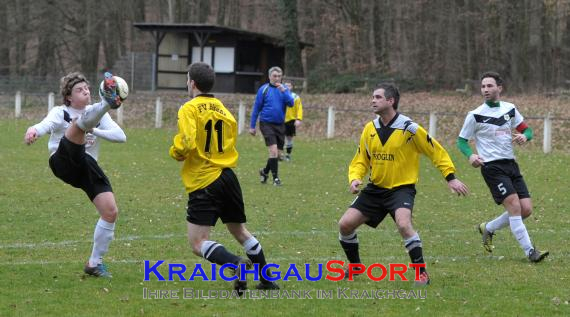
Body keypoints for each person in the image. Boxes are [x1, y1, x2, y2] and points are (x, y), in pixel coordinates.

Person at [338, 83, 469, 286]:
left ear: (391, 101)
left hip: (401, 189)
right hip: (375, 189)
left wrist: (450, 177)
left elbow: (436, 151)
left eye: (378, 97)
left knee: (404, 224)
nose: (372, 100)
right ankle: (355, 266)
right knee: (345, 225)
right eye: (372, 97)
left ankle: (421, 274)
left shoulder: (410, 128)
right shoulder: (369, 128)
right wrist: (355, 178)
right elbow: (361, 159)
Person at [169, 62, 279, 294]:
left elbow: (186, 143)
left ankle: (237, 265)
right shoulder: (225, 111)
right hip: (228, 177)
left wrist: (176, 151)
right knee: (240, 231)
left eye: (187, 80)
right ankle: (267, 280)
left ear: (193, 83)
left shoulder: (188, 108)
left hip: (204, 180)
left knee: (198, 243)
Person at [24, 71, 125, 278]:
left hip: (86, 166)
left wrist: (95, 131)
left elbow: (120, 136)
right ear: (69, 96)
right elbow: (46, 125)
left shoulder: (97, 114)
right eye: (79, 90)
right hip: (62, 162)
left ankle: (94, 263)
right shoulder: (61, 111)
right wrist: (33, 130)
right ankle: (109, 101)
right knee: (77, 125)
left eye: (87, 88)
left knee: (110, 211)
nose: (86, 91)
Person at [457, 71, 549, 262]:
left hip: (511, 165)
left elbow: (527, 129)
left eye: (489, 86)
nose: (485, 90)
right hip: (491, 167)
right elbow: (461, 141)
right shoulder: (475, 115)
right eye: (483, 86)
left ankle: (488, 228)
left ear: (500, 88)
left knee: (526, 210)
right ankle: (530, 251)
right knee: (514, 206)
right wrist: (470, 155)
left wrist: (526, 136)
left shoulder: (510, 109)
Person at [249, 66, 294, 186]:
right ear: (269, 77)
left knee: (278, 154)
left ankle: (264, 172)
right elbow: (256, 108)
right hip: (266, 123)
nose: (277, 78)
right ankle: (276, 179)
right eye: (275, 76)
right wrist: (252, 126)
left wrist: (284, 92)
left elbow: (291, 103)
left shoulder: (284, 90)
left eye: (279, 76)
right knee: (273, 151)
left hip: (280, 125)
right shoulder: (263, 90)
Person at [283, 82, 303, 161]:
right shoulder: (279, 95)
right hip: (280, 119)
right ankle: (279, 154)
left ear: (292, 87)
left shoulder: (296, 97)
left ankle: (288, 155)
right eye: (286, 85)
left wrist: (298, 119)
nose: (287, 87)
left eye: (289, 85)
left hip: (290, 120)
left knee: (289, 138)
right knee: (279, 137)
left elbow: (299, 108)